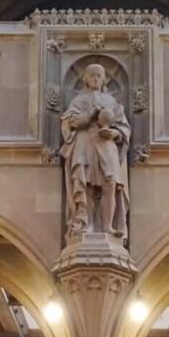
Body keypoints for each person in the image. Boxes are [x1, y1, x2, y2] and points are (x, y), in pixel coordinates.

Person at [60, 63, 130, 243]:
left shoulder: (112, 102)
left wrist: (115, 133)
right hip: (84, 142)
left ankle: (108, 225)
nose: (95, 78)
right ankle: (87, 224)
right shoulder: (78, 101)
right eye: (92, 75)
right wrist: (91, 114)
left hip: (106, 143)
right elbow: (73, 122)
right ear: (85, 79)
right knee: (87, 184)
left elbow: (123, 126)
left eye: (99, 75)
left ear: (104, 79)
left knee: (110, 183)